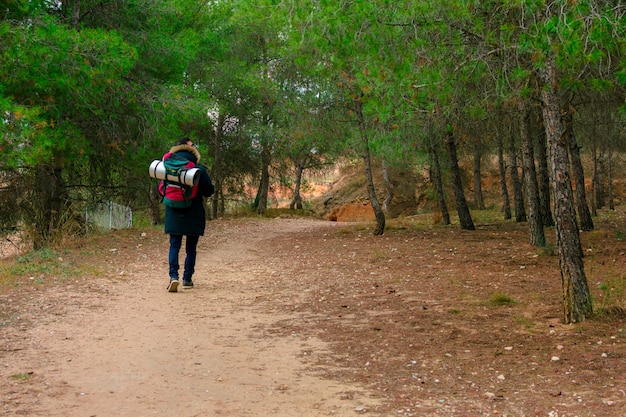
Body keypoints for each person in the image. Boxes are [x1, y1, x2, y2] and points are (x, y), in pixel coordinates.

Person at [163, 137, 214, 292]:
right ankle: (187, 279)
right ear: (192, 151)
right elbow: (209, 192)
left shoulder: (167, 167)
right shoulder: (199, 169)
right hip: (193, 211)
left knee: (174, 245)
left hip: (173, 210)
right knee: (191, 247)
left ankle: (173, 277)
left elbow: (161, 189)